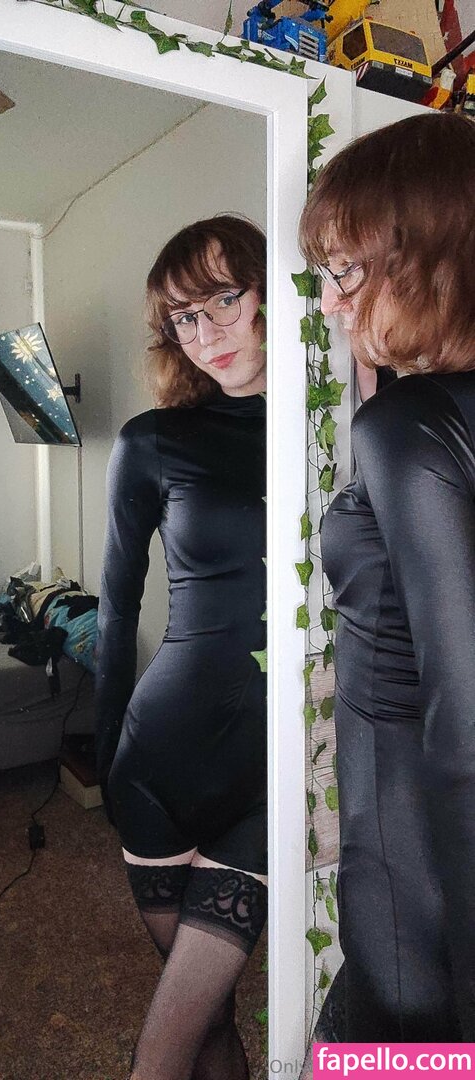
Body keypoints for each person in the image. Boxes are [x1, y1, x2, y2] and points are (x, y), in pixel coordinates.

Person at [298, 111, 475, 1045]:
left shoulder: (409, 428)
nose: (331, 303)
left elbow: (465, 737)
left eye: (346, 272)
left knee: (383, 1048)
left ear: (430, 262)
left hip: (413, 865)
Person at [95, 215, 268, 1080]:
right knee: (207, 1024)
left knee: (170, 1042)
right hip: (158, 766)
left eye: (224, 299)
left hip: (271, 773)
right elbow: (116, 607)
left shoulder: (337, 424)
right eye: (185, 318)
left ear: (270, 290)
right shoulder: (152, 441)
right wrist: (104, 763)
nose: (207, 334)